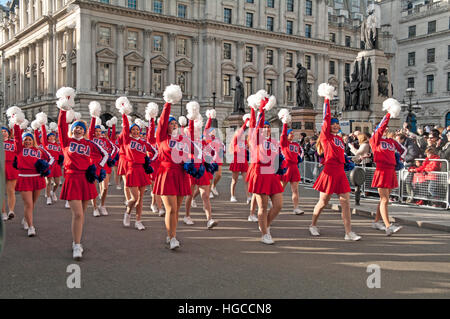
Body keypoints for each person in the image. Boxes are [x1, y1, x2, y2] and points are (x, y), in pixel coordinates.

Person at [57, 87, 109, 260]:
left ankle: (76, 240)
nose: (78, 130)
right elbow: (61, 126)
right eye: (76, 128)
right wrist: (64, 109)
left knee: (82, 214)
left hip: (86, 180)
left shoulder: (90, 144)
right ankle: (77, 245)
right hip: (72, 178)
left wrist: (96, 170)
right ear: (72, 130)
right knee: (77, 214)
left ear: (84, 131)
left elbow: (104, 156)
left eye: (81, 128)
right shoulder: (67, 141)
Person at [310, 83, 361, 241]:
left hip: (340, 172)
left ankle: (348, 232)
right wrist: (327, 100)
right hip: (329, 172)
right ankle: (313, 224)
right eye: (333, 124)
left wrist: (349, 160)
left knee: (345, 202)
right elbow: (326, 118)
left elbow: (341, 155)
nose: (335, 126)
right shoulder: (326, 137)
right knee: (323, 202)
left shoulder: (339, 138)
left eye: (337, 124)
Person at [153, 84, 191, 250]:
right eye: (171, 123)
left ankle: (171, 234)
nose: (174, 125)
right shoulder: (161, 138)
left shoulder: (182, 140)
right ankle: (172, 237)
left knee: (177, 210)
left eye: (176, 123)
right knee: (171, 209)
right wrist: (168, 103)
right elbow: (162, 121)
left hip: (181, 175)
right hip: (167, 174)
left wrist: (191, 163)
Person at [247, 91, 283, 245]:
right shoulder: (256, 140)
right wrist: (260, 110)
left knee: (278, 205)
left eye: (269, 128)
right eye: (264, 128)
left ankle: (265, 225)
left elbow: (278, 160)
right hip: (260, 173)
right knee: (262, 206)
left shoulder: (274, 143)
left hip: (272, 175)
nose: (266, 129)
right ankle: (264, 233)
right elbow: (258, 125)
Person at [10, 111, 54, 238]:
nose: (27, 141)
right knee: (28, 204)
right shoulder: (19, 149)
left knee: (32, 204)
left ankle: (26, 219)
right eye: (26, 140)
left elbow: (50, 158)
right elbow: (17, 137)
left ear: (33, 140)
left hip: (37, 178)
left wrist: (46, 168)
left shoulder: (39, 150)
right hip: (24, 178)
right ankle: (31, 226)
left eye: (30, 139)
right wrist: (17, 123)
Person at [369, 99, 405, 236]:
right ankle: (388, 225)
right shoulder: (374, 140)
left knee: (384, 199)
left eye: (387, 129)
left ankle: (376, 221)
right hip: (382, 170)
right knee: (385, 199)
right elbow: (381, 128)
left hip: (391, 171)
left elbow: (403, 150)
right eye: (383, 129)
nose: (386, 130)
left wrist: (400, 159)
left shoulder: (390, 142)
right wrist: (389, 114)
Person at [121, 112, 157, 231]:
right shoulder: (127, 140)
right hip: (131, 170)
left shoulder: (143, 142)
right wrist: (124, 114)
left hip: (142, 170)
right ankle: (127, 212)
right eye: (134, 129)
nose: (136, 131)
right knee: (135, 198)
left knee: (140, 198)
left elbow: (155, 152)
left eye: (137, 129)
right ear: (130, 131)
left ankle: (138, 221)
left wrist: (149, 160)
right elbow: (125, 127)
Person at [279, 116, 305, 215]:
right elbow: (282, 135)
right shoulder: (284, 143)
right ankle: (275, 203)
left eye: (293, 134)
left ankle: (296, 208)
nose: (292, 135)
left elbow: (300, 154)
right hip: (286, 167)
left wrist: (299, 159)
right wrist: (285, 123)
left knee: (295, 189)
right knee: (281, 188)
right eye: (290, 133)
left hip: (294, 167)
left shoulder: (296, 145)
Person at [229, 114, 251, 207]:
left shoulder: (245, 141)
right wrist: (246, 122)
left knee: (246, 180)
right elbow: (241, 131)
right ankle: (232, 195)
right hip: (237, 161)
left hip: (244, 161)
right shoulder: (235, 140)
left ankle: (248, 196)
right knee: (234, 180)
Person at [38, 123, 63, 206]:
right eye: (50, 136)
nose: (51, 137)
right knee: (48, 182)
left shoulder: (58, 145)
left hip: (56, 165)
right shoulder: (46, 144)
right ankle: (48, 197)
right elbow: (44, 133)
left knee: (57, 182)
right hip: (48, 164)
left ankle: (53, 192)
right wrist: (42, 124)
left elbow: (60, 154)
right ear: (47, 137)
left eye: (53, 136)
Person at [2, 126, 18, 221]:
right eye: (2, 131)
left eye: (5, 131)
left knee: (11, 190)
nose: (3, 133)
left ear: (8, 133)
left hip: (11, 166)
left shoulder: (13, 142)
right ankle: (3, 212)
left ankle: (11, 211)